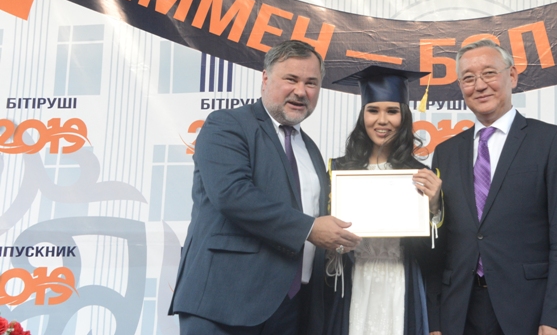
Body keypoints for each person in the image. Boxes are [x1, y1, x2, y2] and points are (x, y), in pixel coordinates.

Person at [169, 40, 361, 335]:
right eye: (291, 79)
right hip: (223, 301)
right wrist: (310, 229)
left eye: (311, 83)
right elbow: (231, 194)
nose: (301, 91)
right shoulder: (227, 125)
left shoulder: (310, 149)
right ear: (265, 78)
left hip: (290, 308)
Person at [427, 39, 557, 335]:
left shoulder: (552, 142)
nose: (479, 85)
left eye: (489, 73)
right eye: (468, 78)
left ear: (511, 76)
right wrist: (434, 321)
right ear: (461, 87)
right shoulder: (445, 152)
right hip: (458, 312)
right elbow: (440, 245)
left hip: (527, 311)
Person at [326, 66, 442, 335]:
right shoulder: (337, 171)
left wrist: (434, 207)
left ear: (404, 116)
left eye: (392, 111)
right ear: (362, 115)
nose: (382, 120)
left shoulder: (421, 176)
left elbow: (436, 257)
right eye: (373, 110)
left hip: (401, 281)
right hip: (352, 281)